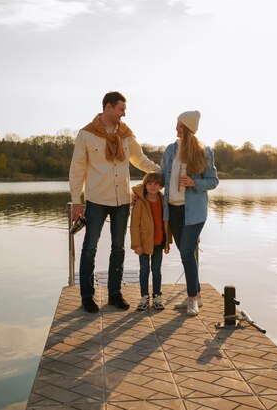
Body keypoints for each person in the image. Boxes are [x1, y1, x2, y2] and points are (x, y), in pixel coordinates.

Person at [69, 91, 160, 313]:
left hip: (122, 201)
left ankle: (114, 294)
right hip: (97, 200)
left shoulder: (126, 135)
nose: (124, 114)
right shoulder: (86, 135)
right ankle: (87, 296)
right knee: (90, 247)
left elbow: (140, 159)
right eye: (121, 109)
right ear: (108, 108)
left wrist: (162, 172)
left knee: (118, 248)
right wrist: (77, 201)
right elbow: (77, 170)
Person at [160, 110, 218, 316]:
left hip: (194, 212)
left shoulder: (204, 151)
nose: (176, 127)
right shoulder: (169, 150)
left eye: (179, 125)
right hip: (173, 210)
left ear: (187, 128)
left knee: (186, 251)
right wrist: (141, 190)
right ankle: (198, 296)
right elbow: (160, 176)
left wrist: (195, 182)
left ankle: (192, 298)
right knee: (186, 253)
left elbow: (213, 180)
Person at [130, 172, 171, 311]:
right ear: (145, 185)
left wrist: (167, 243)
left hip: (159, 242)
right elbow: (134, 224)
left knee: (156, 270)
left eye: (156, 184)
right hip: (143, 242)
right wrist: (136, 244)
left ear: (160, 186)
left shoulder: (164, 201)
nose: (153, 186)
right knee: (144, 270)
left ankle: (157, 296)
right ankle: (144, 297)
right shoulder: (140, 201)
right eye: (150, 183)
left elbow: (166, 224)